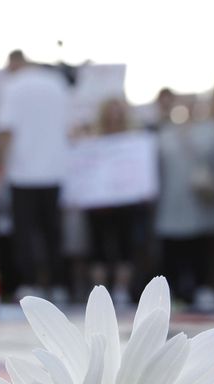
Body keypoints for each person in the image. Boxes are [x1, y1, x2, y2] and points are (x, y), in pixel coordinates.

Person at [0, 50, 70, 302]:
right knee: (52, 232)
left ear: (15, 62)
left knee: (24, 233)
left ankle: (28, 284)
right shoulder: (57, 83)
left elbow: (6, 131)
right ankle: (58, 284)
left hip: (22, 172)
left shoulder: (12, 86)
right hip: (54, 170)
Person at [155, 98, 214, 308]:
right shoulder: (164, 133)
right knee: (172, 248)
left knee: (200, 246)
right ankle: (173, 290)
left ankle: (203, 287)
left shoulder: (213, 131)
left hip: (200, 202)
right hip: (170, 201)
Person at [81, 99, 148, 307]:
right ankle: (99, 294)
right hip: (98, 203)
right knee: (97, 247)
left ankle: (120, 290)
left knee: (125, 246)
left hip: (125, 202)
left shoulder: (134, 138)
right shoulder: (92, 137)